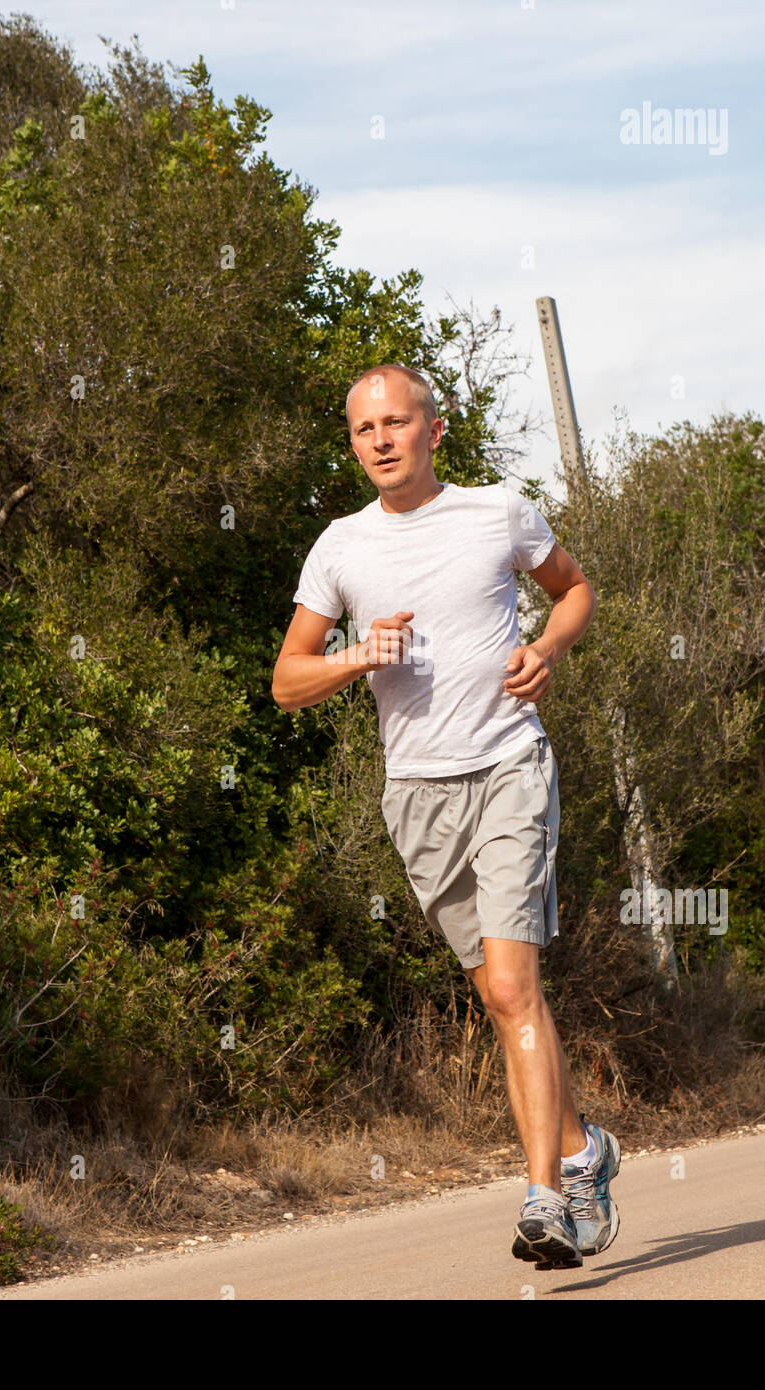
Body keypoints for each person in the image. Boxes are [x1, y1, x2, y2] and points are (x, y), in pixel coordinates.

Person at [272, 364, 620, 1270]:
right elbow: (286, 682)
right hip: (416, 796)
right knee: (504, 1001)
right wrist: (354, 657)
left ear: (436, 428)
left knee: (513, 989)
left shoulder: (498, 512)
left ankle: (545, 1200)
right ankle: (584, 1152)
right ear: (353, 445)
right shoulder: (339, 547)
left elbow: (574, 589)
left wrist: (544, 647)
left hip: (508, 766)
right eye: (363, 430)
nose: (381, 440)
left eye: (397, 422)